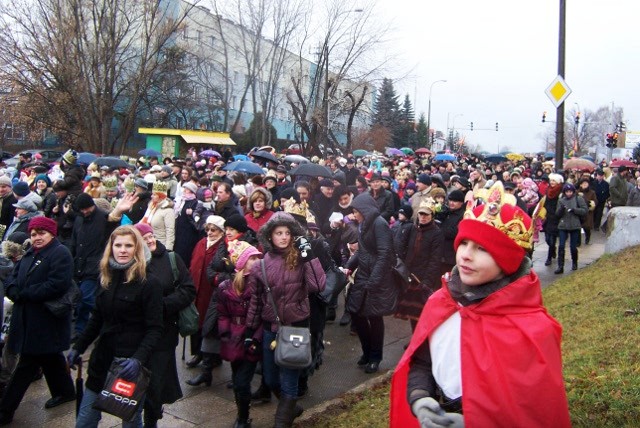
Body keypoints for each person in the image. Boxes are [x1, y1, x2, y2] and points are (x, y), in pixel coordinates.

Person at [390, 181, 571, 428]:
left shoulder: (534, 329)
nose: (465, 254)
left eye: (481, 248)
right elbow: (423, 361)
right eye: (463, 243)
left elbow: (534, 411)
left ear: (507, 260)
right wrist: (420, 398)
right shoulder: (441, 303)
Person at [67, 226, 164, 428]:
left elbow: (154, 328)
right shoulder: (105, 277)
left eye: (128, 245)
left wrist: (138, 359)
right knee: (85, 420)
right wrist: (79, 347)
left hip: (129, 364)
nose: (122, 250)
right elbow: (97, 318)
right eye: (117, 245)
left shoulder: (149, 283)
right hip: (102, 360)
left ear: (137, 248)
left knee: (130, 421)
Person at [245, 212, 325, 428]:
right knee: (271, 379)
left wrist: (309, 256)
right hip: (271, 328)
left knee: (289, 379)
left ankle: (282, 422)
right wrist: (249, 330)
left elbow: (318, 285)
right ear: (270, 236)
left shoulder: (299, 259)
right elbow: (256, 301)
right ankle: (292, 407)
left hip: (296, 327)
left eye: (287, 233)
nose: (283, 237)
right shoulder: (260, 265)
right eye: (278, 233)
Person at [0, 217, 76, 425]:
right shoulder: (30, 252)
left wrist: (26, 294)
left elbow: (57, 284)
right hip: (27, 316)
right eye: (33, 234)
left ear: (51, 233)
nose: (37, 237)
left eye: (41, 233)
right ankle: (66, 392)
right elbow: (14, 276)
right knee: (51, 357)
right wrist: (12, 289)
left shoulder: (60, 253)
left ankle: (5, 410)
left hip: (45, 319)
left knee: (27, 363)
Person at [134, 223, 196, 427]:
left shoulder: (171, 258)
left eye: (151, 236)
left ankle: (152, 417)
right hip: (138, 332)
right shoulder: (133, 264)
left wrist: (162, 306)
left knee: (156, 382)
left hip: (165, 331)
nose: (150, 240)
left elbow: (188, 290)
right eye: (145, 238)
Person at [346, 193, 398, 374]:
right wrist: (348, 267)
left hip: (377, 278)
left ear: (364, 210)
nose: (354, 215)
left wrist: (375, 279)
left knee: (374, 317)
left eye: (356, 211)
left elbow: (385, 254)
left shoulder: (379, 224)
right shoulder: (363, 225)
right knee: (357, 313)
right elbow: (363, 251)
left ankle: (375, 357)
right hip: (364, 275)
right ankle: (366, 352)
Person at [217, 241, 263, 428]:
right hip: (233, 339)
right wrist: (225, 332)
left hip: (250, 337)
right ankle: (241, 413)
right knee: (237, 379)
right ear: (242, 262)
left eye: (258, 258)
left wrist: (256, 338)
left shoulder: (259, 285)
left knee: (243, 381)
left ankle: (243, 419)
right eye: (252, 258)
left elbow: (263, 315)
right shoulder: (225, 287)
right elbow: (222, 313)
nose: (257, 261)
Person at [395, 199, 444, 333]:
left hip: (423, 278)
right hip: (410, 275)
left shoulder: (436, 233)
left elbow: (435, 259)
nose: (423, 217)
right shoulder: (413, 229)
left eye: (426, 215)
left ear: (432, 216)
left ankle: (422, 343)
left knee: (422, 314)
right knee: (411, 313)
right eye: (421, 214)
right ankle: (414, 339)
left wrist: (427, 281)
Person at [185, 215, 226, 372]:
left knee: (208, 324)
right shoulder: (201, 243)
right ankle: (196, 353)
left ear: (221, 232)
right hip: (196, 288)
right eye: (208, 229)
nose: (209, 232)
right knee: (195, 321)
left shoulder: (222, 247)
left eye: (213, 230)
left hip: (211, 290)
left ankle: (210, 355)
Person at [555, 183, 588, 274]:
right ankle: (560, 266)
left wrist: (575, 210)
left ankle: (574, 263)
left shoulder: (578, 199)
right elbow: (557, 214)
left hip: (575, 225)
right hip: (563, 225)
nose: (568, 193)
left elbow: (585, 210)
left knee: (573, 246)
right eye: (567, 192)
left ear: (573, 191)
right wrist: (561, 209)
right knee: (561, 246)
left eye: (570, 191)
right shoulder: (561, 200)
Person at [139, 181, 175, 250]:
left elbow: (170, 231)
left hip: (161, 245)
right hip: (149, 244)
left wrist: (168, 249)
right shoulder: (151, 207)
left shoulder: (168, 210)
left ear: (160, 196)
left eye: (154, 194)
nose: (151, 196)